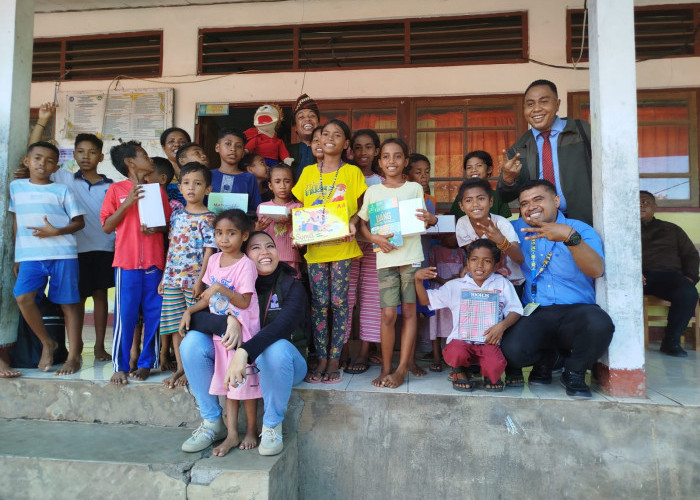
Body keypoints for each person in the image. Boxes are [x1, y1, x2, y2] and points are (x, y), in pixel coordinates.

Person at [180, 231, 308, 457]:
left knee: (275, 349)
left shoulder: (292, 285)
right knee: (191, 343)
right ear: (245, 255)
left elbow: (282, 327)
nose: (265, 252)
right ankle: (212, 422)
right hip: (244, 362)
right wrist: (230, 322)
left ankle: (270, 425)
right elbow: (197, 318)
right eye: (256, 248)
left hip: (285, 364)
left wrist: (244, 352)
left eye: (270, 246)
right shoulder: (235, 281)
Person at [500, 180, 614, 399]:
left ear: (556, 201)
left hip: (576, 310)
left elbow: (596, 270)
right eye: (524, 203)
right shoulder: (516, 229)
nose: (530, 207)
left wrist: (569, 238)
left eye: (538, 199)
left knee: (600, 324)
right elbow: (487, 223)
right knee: (511, 351)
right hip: (536, 310)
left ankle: (574, 371)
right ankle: (549, 359)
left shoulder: (579, 229)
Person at [26, 104, 116, 362]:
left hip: (104, 248)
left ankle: (99, 346)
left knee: (101, 296)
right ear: (73, 155)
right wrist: (43, 121)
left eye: (92, 152)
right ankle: (73, 348)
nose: (86, 156)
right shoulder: (64, 179)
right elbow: (34, 153)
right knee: (74, 300)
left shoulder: (111, 187)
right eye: (80, 152)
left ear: (101, 157)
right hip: (72, 249)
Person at [358, 138, 437, 389]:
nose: (392, 161)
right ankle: (386, 367)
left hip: (411, 258)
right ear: (379, 162)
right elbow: (362, 223)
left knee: (411, 312)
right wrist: (374, 237)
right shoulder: (373, 192)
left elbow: (425, 219)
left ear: (405, 160)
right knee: (389, 314)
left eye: (397, 156)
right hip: (386, 259)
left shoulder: (414, 188)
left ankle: (402, 368)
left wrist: (430, 218)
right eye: (386, 156)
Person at [180, 210, 261, 455]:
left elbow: (245, 302)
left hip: (242, 333)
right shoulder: (214, 260)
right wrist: (190, 311)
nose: (224, 239)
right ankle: (232, 433)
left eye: (231, 233)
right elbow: (207, 298)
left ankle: (250, 430)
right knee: (229, 386)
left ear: (244, 235)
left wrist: (219, 288)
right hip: (220, 334)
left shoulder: (246, 265)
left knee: (244, 387)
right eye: (219, 233)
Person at [292, 119, 367, 384]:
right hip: (315, 249)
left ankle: (335, 357)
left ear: (346, 144)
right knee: (319, 304)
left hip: (342, 248)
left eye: (338, 135)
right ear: (319, 141)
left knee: (339, 303)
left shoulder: (353, 173)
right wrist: (296, 233)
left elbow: (361, 209)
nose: (331, 138)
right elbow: (300, 207)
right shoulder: (308, 173)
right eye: (326, 134)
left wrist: (353, 223)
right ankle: (321, 355)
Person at [9, 142, 86, 376]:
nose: (42, 163)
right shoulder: (16, 187)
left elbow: (79, 222)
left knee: (68, 303)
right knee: (23, 297)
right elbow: (16, 222)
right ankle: (47, 342)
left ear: (56, 166)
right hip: (31, 255)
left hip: (62, 252)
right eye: (37, 158)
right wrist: (17, 255)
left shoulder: (62, 190)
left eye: (49, 160)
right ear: (26, 161)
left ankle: (73, 356)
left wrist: (57, 231)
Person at [101, 141, 172, 385]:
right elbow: (107, 225)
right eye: (143, 155)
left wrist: (156, 228)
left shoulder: (157, 190)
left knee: (155, 314)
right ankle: (120, 365)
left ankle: (146, 363)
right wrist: (127, 203)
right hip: (126, 264)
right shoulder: (116, 190)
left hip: (154, 263)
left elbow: (166, 225)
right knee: (125, 316)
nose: (150, 158)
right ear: (130, 162)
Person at [415, 239, 523, 391]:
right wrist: (418, 280)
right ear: (467, 262)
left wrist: (502, 326)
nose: (479, 265)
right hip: (461, 340)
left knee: (495, 364)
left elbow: (516, 310)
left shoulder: (502, 284)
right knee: (455, 352)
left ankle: (489, 373)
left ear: (496, 265)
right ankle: (458, 371)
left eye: (487, 261)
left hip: (489, 341)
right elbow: (425, 300)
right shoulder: (456, 285)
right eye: (474, 260)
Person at [497, 79, 593, 225]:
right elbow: (504, 196)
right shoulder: (519, 148)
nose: (536, 109)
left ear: (557, 104)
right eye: (530, 104)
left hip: (583, 223)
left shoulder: (583, 131)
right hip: (541, 228)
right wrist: (508, 180)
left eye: (543, 101)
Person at [159, 162, 216, 388]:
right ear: (180, 188)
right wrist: (164, 277)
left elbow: (210, 251)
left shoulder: (209, 218)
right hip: (173, 279)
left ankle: (193, 370)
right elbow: (171, 247)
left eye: (197, 183)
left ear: (208, 189)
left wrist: (202, 280)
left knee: (194, 324)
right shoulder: (176, 216)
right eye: (186, 183)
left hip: (194, 282)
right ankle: (181, 368)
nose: (191, 188)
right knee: (175, 325)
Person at [343, 130, 384, 374]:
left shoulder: (380, 182)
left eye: (369, 147)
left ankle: (363, 352)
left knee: (371, 300)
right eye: (357, 147)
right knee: (344, 300)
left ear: (377, 151)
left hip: (372, 247)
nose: (363, 152)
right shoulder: (344, 178)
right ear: (350, 150)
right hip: (345, 246)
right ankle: (344, 350)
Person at [640, 190, 699, 357]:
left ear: (655, 207)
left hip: (667, 277)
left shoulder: (671, 229)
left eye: (645, 202)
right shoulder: (620, 230)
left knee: (687, 292)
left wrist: (690, 278)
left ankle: (670, 341)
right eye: (636, 201)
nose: (640, 205)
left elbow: (691, 255)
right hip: (634, 277)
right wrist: (630, 273)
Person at [455, 178, 525, 296]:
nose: (475, 204)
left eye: (481, 198)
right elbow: (474, 254)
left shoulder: (501, 224)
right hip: (485, 280)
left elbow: (519, 259)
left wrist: (501, 240)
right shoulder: (462, 223)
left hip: (511, 281)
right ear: (461, 206)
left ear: (491, 201)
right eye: (468, 200)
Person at [255, 163, 302, 273]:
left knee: (291, 287)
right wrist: (258, 228)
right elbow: (257, 235)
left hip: (291, 257)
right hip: (267, 258)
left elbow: (303, 235)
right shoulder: (262, 207)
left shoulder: (298, 207)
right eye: (277, 182)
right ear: (270, 185)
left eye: (287, 181)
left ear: (294, 184)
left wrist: (293, 221)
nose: (282, 186)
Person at [210, 128, 262, 215]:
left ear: (243, 153)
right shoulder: (208, 175)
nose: (233, 149)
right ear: (217, 147)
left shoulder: (249, 178)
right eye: (228, 144)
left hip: (241, 227)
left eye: (238, 146)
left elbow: (255, 208)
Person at [449, 150, 511, 220]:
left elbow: (504, 223)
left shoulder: (498, 196)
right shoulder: (461, 196)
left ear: (489, 169)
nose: (474, 170)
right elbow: (454, 221)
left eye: (479, 166)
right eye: (469, 167)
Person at [288, 94, 321, 179]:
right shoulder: (286, 151)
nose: (307, 119)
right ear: (295, 127)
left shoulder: (327, 149)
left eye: (312, 116)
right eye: (301, 117)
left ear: (319, 124)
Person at [160, 127, 191, 206]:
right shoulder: (157, 168)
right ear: (163, 147)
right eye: (171, 141)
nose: (177, 144)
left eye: (182, 142)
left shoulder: (195, 169)